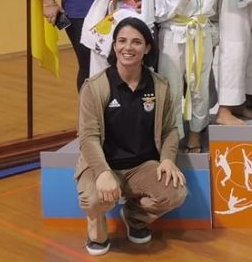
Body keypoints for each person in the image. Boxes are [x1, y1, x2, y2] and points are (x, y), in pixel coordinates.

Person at [75, 17, 187, 256]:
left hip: (141, 166)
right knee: (95, 200)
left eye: (136, 42)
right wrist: (103, 172)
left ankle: (135, 218)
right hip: (103, 166)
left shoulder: (159, 86)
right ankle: (95, 222)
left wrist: (167, 159)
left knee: (175, 193)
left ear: (147, 48)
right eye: (122, 41)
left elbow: (170, 130)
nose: (128, 47)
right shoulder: (95, 87)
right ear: (114, 46)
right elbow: (88, 137)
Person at [153, 0, 221, 154]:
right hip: (173, 30)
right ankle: (172, 136)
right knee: (170, 85)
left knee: (199, 84)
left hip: (199, 29)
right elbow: (160, 9)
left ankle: (195, 132)